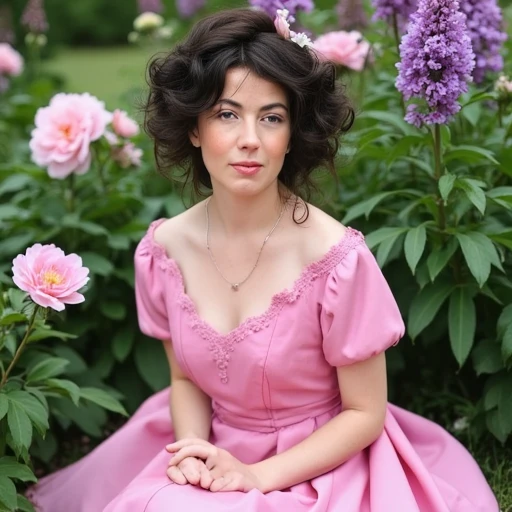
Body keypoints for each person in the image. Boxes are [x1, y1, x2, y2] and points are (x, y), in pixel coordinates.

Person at [27, 8, 498, 512]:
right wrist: (194, 452)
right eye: (227, 114)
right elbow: (185, 380)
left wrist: (254, 475)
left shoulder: (336, 260)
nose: (249, 138)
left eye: (271, 117)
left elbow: (365, 414)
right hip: (213, 438)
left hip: (322, 462)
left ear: (292, 133)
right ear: (193, 128)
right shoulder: (165, 249)